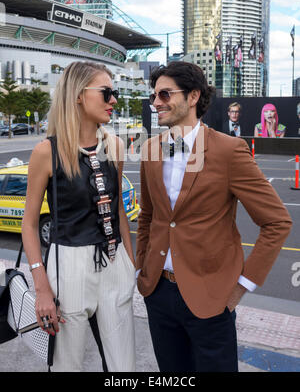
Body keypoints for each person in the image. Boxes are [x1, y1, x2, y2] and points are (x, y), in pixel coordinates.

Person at [136, 61, 292, 373]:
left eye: (164, 95)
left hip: (211, 299)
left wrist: (239, 289)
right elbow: (148, 215)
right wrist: (143, 268)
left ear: (193, 97)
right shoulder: (151, 149)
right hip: (158, 294)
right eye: (154, 96)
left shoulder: (228, 150)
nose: (155, 103)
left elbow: (277, 222)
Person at [22, 61, 136, 372]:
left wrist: (131, 263)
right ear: (78, 96)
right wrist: (42, 288)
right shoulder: (47, 151)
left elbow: (118, 211)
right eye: (106, 92)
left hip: (114, 262)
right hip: (68, 266)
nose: (114, 100)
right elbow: (30, 225)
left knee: (123, 367)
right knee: (66, 365)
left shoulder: (115, 145)